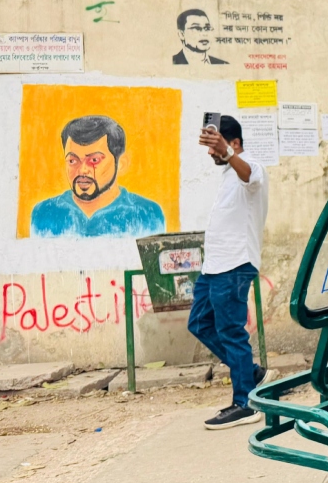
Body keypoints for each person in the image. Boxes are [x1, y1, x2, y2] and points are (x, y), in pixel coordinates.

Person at [189, 115, 270, 430]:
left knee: (231, 331)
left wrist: (227, 153)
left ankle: (246, 403)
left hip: (235, 264)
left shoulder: (248, 164)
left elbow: (251, 176)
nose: (211, 153)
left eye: (217, 146)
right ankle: (249, 373)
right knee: (199, 323)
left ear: (233, 143)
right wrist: (224, 156)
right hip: (214, 268)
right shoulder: (226, 174)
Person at [31, 115, 166, 238]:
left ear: (121, 164)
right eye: (73, 161)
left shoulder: (147, 214)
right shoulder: (44, 213)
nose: (82, 170)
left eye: (94, 160)